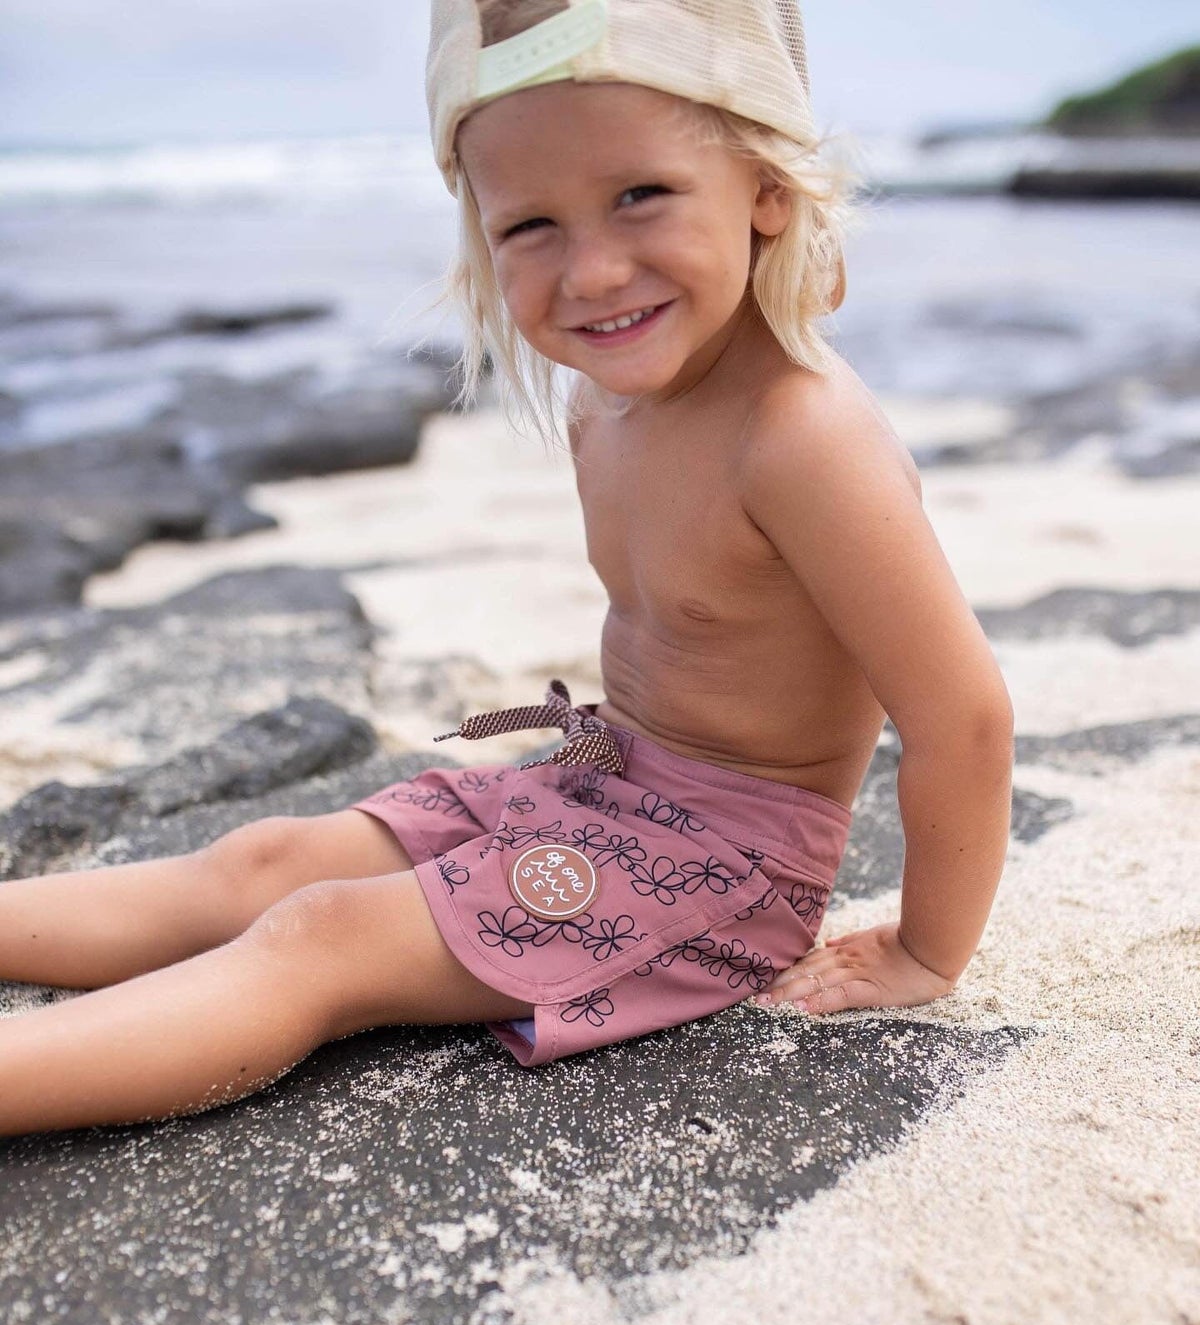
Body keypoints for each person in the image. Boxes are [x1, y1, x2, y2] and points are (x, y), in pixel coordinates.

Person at [0, 0, 1013, 1136]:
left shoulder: (802, 438)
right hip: (599, 780)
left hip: (723, 872)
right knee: (265, 859)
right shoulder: (607, 403)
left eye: (642, 195)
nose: (590, 271)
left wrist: (929, 948)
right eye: (530, 223)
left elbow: (963, 716)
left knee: (319, 936)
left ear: (767, 188)